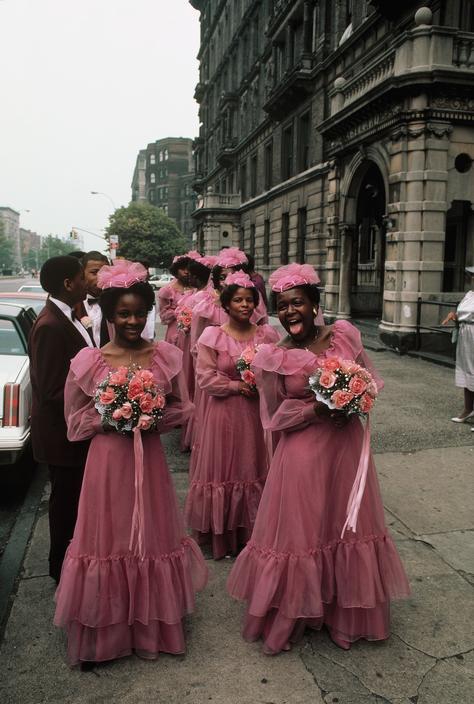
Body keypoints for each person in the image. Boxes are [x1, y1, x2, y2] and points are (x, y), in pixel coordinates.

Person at [227, 263, 410, 654]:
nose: (290, 311)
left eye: (297, 303)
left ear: (314, 305)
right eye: (282, 305)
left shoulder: (342, 336)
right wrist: (316, 411)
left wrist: (353, 399)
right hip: (302, 454)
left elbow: (369, 382)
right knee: (302, 532)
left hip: (344, 449)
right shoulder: (275, 355)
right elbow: (273, 417)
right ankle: (296, 611)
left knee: (345, 527)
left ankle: (345, 614)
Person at [54, 260, 208, 668]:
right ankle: (106, 632)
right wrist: (112, 415)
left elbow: (183, 407)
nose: (133, 320)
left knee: (150, 535)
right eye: (124, 313)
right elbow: (75, 421)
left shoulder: (164, 356)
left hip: (149, 459)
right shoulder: (91, 360)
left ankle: (150, 627)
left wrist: (150, 414)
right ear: (109, 313)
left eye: (140, 312)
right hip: (108, 461)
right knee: (110, 537)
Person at [185, 272, 280, 559]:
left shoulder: (267, 335)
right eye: (238, 300)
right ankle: (223, 534)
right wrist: (237, 385)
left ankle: (251, 533)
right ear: (226, 304)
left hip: (255, 415)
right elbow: (205, 378)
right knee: (224, 469)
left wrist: (261, 382)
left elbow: (278, 371)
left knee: (252, 465)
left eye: (250, 300)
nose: (245, 305)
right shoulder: (212, 335)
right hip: (223, 414)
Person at [28, 256, 93, 583]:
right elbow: (53, 390)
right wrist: (99, 406)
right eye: (82, 278)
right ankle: (60, 570)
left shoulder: (69, 315)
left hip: (73, 431)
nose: (86, 282)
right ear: (68, 284)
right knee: (65, 505)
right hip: (62, 436)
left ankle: (72, 563)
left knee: (75, 501)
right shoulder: (51, 325)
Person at [442, 265, 474, 427]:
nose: (472, 278)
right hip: (465, 334)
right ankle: (468, 409)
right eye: (471, 275)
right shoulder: (469, 295)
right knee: (466, 369)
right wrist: (454, 316)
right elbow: (462, 314)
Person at [74, 251, 110, 347]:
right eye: (94, 273)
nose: (100, 278)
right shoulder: (72, 306)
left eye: (105, 273)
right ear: (82, 274)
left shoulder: (115, 304)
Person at [158, 254, 195, 344]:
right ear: (175, 271)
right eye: (182, 269)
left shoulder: (197, 288)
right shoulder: (167, 291)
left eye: (189, 269)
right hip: (176, 332)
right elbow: (164, 317)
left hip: (194, 332)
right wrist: (178, 311)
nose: (186, 272)